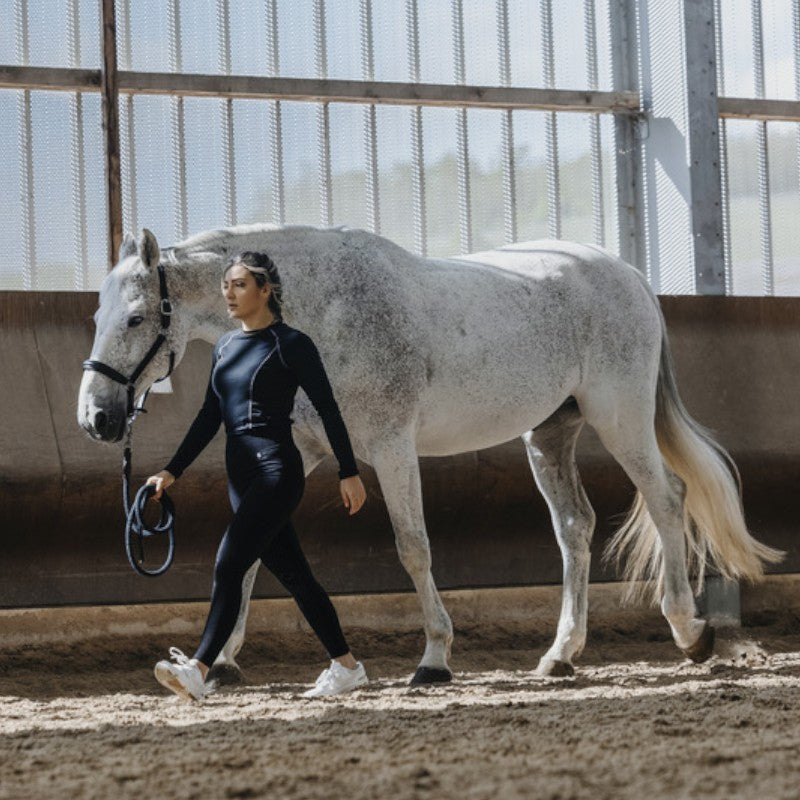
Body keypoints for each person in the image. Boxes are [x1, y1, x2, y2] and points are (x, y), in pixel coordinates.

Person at [146, 250, 368, 701]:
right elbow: (211, 416)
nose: (229, 293)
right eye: (226, 285)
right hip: (241, 479)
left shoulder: (292, 344)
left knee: (229, 564)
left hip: (276, 472)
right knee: (297, 577)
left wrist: (349, 470)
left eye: (240, 285)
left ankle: (198, 669)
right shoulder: (226, 346)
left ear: (266, 290)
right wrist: (173, 470)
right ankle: (346, 667)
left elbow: (328, 408)